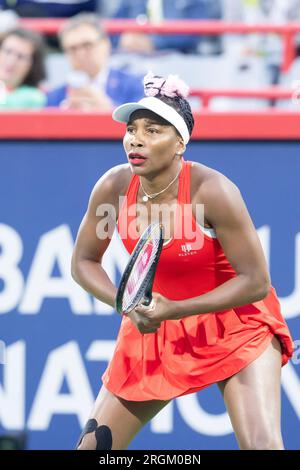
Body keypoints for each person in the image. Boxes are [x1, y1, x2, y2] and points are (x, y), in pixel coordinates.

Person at [71, 71, 294, 450]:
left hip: (236, 324)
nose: (135, 139)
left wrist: (176, 309)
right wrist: (126, 304)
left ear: (180, 143)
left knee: (262, 445)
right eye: (132, 129)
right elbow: (84, 262)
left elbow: (255, 281)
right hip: (154, 326)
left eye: (153, 130)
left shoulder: (215, 191)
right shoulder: (113, 186)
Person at [46, 13, 144, 110]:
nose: (80, 54)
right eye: (72, 49)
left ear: (106, 44)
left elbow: (143, 122)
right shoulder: (55, 97)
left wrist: (109, 109)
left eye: (87, 45)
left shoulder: (134, 85)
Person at [0, 26, 46, 109]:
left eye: (20, 57)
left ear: (32, 64)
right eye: (8, 51)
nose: (11, 61)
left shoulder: (34, 98)